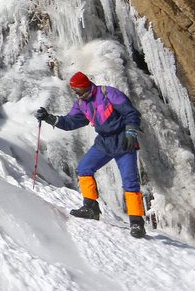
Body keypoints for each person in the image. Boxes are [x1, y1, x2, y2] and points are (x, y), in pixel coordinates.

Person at [36, 71, 146, 239]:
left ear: (84, 86)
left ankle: (137, 223)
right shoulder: (81, 104)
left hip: (123, 141)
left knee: (130, 182)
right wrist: (49, 118)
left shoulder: (108, 93)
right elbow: (70, 122)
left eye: (77, 89)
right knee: (84, 168)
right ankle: (91, 208)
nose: (75, 92)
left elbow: (130, 112)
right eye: (73, 90)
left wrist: (131, 131)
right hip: (103, 143)